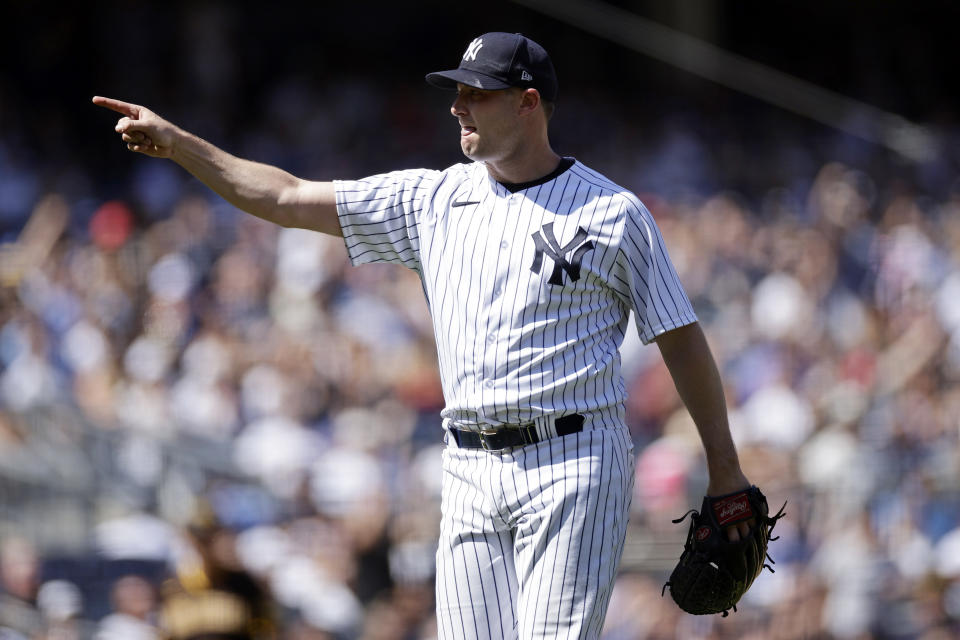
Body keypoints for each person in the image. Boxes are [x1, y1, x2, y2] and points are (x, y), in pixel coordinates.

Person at [95, 31, 753, 639]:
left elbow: (680, 338)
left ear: (528, 103)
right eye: (456, 92)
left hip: (574, 463)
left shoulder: (614, 213)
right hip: (467, 464)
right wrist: (181, 144)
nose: (457, 107)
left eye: (477, 94)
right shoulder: (431, 200)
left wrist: (725, 471)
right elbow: (286, 197)